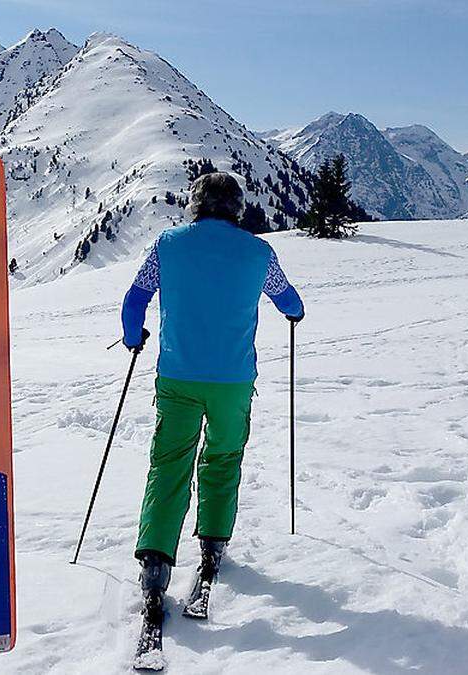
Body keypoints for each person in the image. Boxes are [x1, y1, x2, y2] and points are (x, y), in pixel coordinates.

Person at [121, 172, 304, 669]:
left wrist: (133, 335)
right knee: (222, 459)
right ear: (237, 208)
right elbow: (289, 300)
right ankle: (212, 548)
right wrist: (295, 313)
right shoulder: (259, 254)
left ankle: (155, 568)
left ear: (195, 205)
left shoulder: (167, 245)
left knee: (169, 466)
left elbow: (135, 299)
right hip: (231, 381)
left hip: (177, 376)